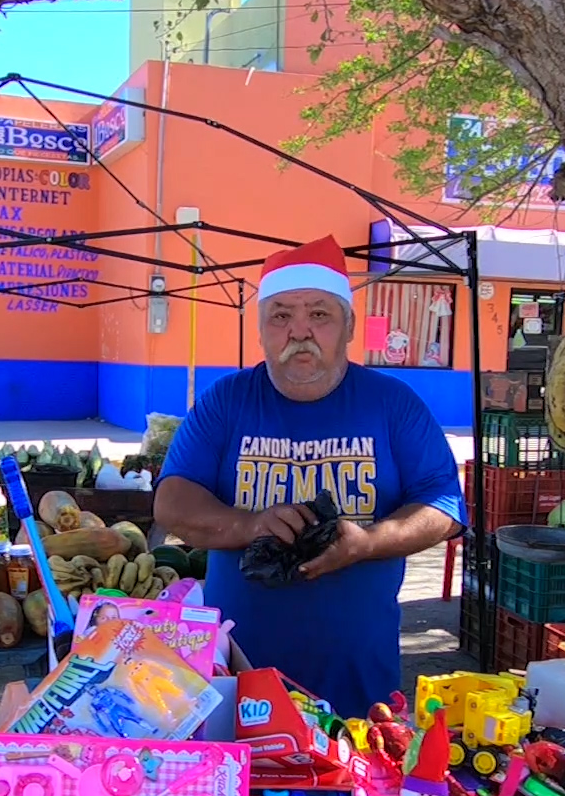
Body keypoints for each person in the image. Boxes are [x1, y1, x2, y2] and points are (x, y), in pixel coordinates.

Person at [154, 235, 467, 717]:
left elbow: (444, 506)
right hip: (238, 675)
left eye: (319, 314)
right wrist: (250, 525)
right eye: (280, 315)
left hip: (359, 680)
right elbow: (172, 504)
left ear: (349, 326)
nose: (299, 331)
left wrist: (368, 542)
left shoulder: (393, 404)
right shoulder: (225, 402)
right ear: (260, 329)